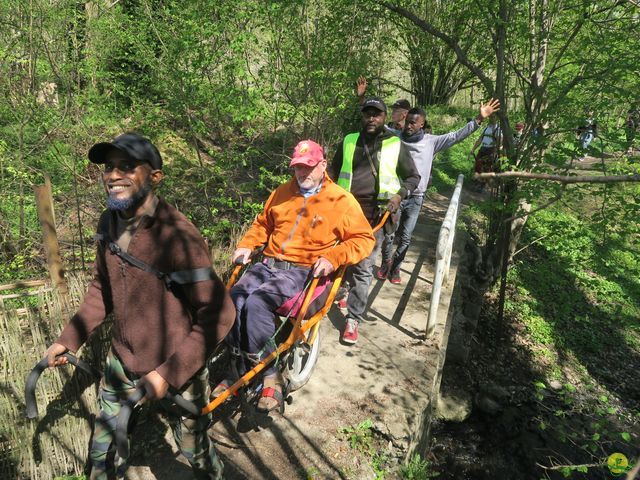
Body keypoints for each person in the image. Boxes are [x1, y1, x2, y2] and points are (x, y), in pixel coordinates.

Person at [44, 133, 235, 480]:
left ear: (155, 177)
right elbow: (102, 289)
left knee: (196, 451)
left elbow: (220, 314)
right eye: (109, 168)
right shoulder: (108, 223)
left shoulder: (178, 235)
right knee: (102, 451)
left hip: (177, 367)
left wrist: (168, 373)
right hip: (121, 362)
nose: (114, 175)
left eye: (128, 167)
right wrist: (68, 339)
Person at [226, 139, 375, 410]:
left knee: (258, 302)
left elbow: (363, 239)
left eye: (308, 167)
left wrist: (332, 257)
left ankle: (270, 374)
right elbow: (262, 224)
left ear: (323, 165)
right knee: (234, 298)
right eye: (297, 168)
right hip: (267, 264)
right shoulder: (282, 192)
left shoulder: (341, 200)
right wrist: (247, 245)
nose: (302, 173)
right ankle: (236, 365)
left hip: (302, 270)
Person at [378, 99, 501, 284]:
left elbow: (456, 136)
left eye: (414, 123)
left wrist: (478, 119)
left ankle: (396, 267)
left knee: (405, 236)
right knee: (388, 234)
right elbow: (379, 126)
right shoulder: (396, 136)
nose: (409, 126)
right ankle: (386, 261)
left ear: (421, 124)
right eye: (408, 121)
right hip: (396, 195)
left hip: (416, 197)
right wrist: (363, 99)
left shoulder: (431, 142)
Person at [331, 98, 420, 344]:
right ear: (362, 116)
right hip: (344, 214)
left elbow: (413, 177)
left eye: (377, 114)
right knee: (340, 259)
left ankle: (353, 318)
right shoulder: (349, 141)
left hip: (376, 217)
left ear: (384, 118)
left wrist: (399, 196)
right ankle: (341, 292)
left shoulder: (394, 144)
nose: (372, 118)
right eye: (368, 113)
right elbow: (332, 172)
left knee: (363, 266)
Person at [471, 112, 502, 177]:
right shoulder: (486, 128)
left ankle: (485, 185)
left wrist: (495, 152)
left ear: (497, 118)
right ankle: (478, 182)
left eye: (493, 117)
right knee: (478, 166)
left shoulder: (498, 129)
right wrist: (473, 149)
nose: (491, 118)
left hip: (491, 150)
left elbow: (499, 141)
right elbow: (480, 139)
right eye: (490, 117)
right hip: (483, 148)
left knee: (487, 168)